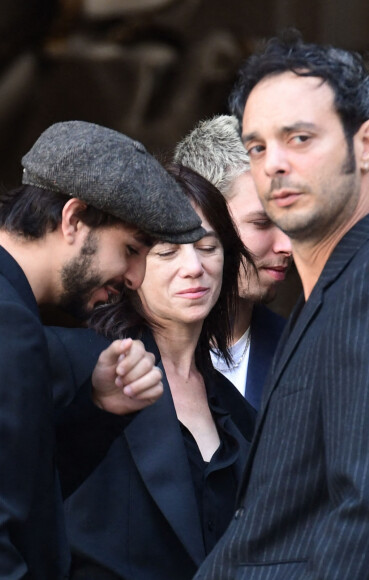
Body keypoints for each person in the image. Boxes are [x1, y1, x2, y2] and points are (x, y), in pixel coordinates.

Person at [194, 34, 369, 580]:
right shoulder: (341, 285)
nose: (273, 164)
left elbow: (365, 516)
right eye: (257, 147)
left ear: (366, 143)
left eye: (299, 138)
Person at [0, 120, 205, 578]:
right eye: (131, 249)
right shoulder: (9, 323)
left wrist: (96, 410)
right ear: (73, 219)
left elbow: (28, 492)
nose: (134, 277)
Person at [52, 163, 257, 579]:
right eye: (166, 251)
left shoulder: (239, 410)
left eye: (208, 247)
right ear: (130, 264)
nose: (194, 267)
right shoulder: (71, 362)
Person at [174, 115, 292, 408]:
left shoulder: (304, 352)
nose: (288, 245)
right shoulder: (121, 359)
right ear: (197, 215)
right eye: (263, 222)